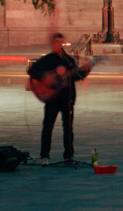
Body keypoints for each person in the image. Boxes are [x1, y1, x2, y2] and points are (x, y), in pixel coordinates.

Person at [27, 31, 93, 166]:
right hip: (52, 99)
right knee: (48, 127)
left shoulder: (68, 61)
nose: (59, 45)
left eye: (61, 42)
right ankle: (44, 156)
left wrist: (86, 69)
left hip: (67, 98)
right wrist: (46, 77)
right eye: (57, 42)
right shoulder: (47, 60)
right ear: (52, 44)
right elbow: (32, 70)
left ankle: (69, 155)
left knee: (68, 128)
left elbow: (76, 76)